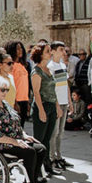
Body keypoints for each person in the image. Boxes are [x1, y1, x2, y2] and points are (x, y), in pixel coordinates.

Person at [0, 76, 48, 183]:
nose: (5, 92)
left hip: (17, 139)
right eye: (2, 90)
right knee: (29, 152)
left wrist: (25, 135)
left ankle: (33, 178)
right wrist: (16, 142)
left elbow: (16, 124)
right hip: (1, 143)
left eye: (6, 90)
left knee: (41, 148)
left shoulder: (5, 104)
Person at [29, 42, 60, 175]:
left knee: (47, 138)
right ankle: (36, 169)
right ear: (40, 54)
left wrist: (57, 106)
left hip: (52, 105)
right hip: (42, 106)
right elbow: (36, 92)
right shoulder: (36, 71)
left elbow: (54, 90)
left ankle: (47, 167)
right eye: (48, 51)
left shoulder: (49, 69)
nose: (50, 53)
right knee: (39, 140)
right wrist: (41, 110)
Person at [47, 41, 73, 171]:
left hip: (64, 102)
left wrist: (70, 102)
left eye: (64, 50)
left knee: (61, 132)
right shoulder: (50, 66)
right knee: (54, 132)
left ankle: (58, 156)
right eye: (61, 49)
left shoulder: (62, 65)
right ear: (52, 51)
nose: (64, 52)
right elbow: (52, 88)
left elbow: (66, 84)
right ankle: (52, 158)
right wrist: (57, 105)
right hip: (56, 103)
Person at [5, 41, 30, 125]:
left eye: (21, 48)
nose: (21, 50)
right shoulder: (11, 66)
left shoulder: (23, 65)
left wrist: (28, 101)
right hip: (15, 101)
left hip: (24, 100)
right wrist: (15, 102)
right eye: (18, 49)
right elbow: (10, 84)